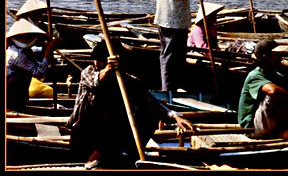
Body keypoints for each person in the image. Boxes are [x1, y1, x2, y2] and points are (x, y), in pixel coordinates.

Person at [67, 39, 194, 169]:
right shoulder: (88, 73)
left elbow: (152, 103)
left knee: (148, 116)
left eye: (101, 60)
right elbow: (96, 81)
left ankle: (128, 155)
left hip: (109, 138)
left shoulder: (128, 81)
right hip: (83, 136)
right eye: (95, 60)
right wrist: (108, 69)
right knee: (117, 115)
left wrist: (175, 116)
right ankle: (95, 158)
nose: (96, 64)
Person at [6, 19, 56, 111]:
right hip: (9, 89)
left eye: (29, 36)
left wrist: (47, 46)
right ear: (14, 38)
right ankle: (12, 108)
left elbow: (36, 53)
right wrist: (47, 54)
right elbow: (39, 74)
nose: (26, 40)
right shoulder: (16, 55)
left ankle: (19, 105)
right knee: (20, 78)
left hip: (15, 90)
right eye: (21, 37)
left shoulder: (25, 50)